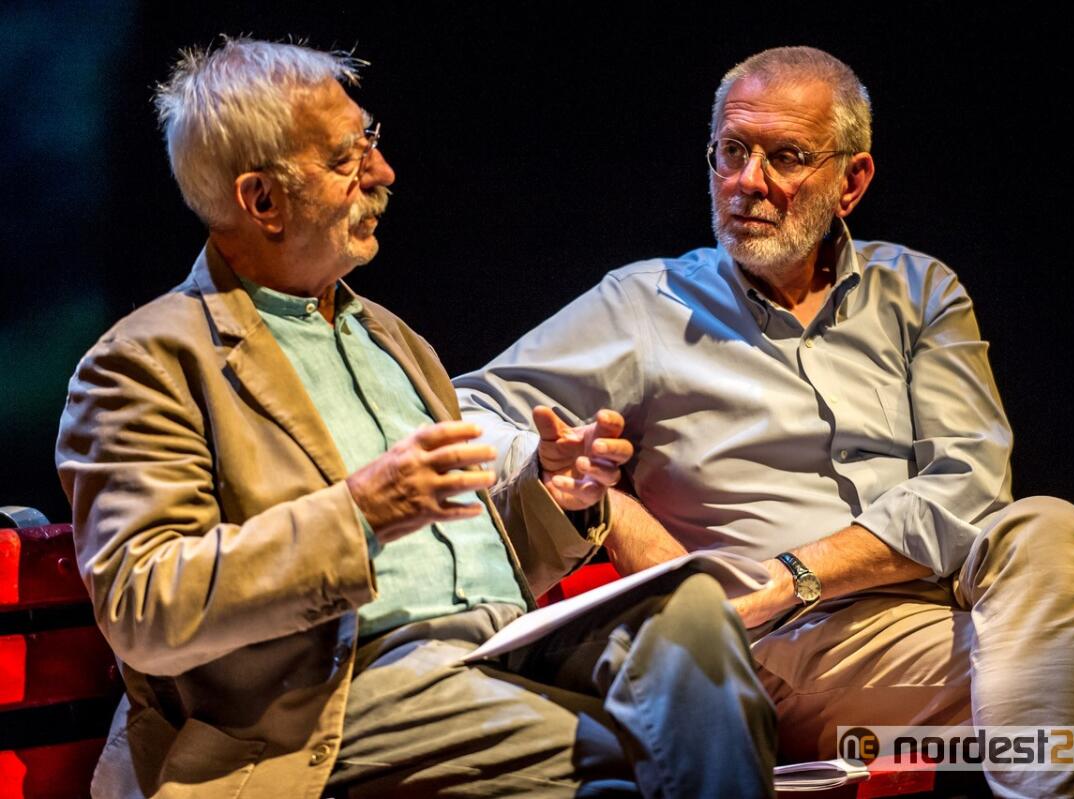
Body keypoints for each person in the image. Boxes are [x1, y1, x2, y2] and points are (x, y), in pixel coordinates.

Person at [56, 38, 776, 799]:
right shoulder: (149, 362)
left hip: (495, 649)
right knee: (631, 764)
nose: (383, 173)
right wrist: (358, 512)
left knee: (694, 621)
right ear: (261, 200)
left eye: (371, 141)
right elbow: (144, 606)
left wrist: (549, 495)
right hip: (330, 698)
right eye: (345, 160)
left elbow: (472, 560)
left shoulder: (393, 340)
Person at [454, 46, 1074, 798]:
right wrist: (598, 500)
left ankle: (1029, 766)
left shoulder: (918, 291)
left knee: (1051, 524)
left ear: (851, 182)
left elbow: (972, 483)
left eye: (785, 156)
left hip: (933, 614)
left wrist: (797, 576)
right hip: (781, 653)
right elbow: (468, 412)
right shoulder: (642, 304)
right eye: (731, 151)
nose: (746, 182)